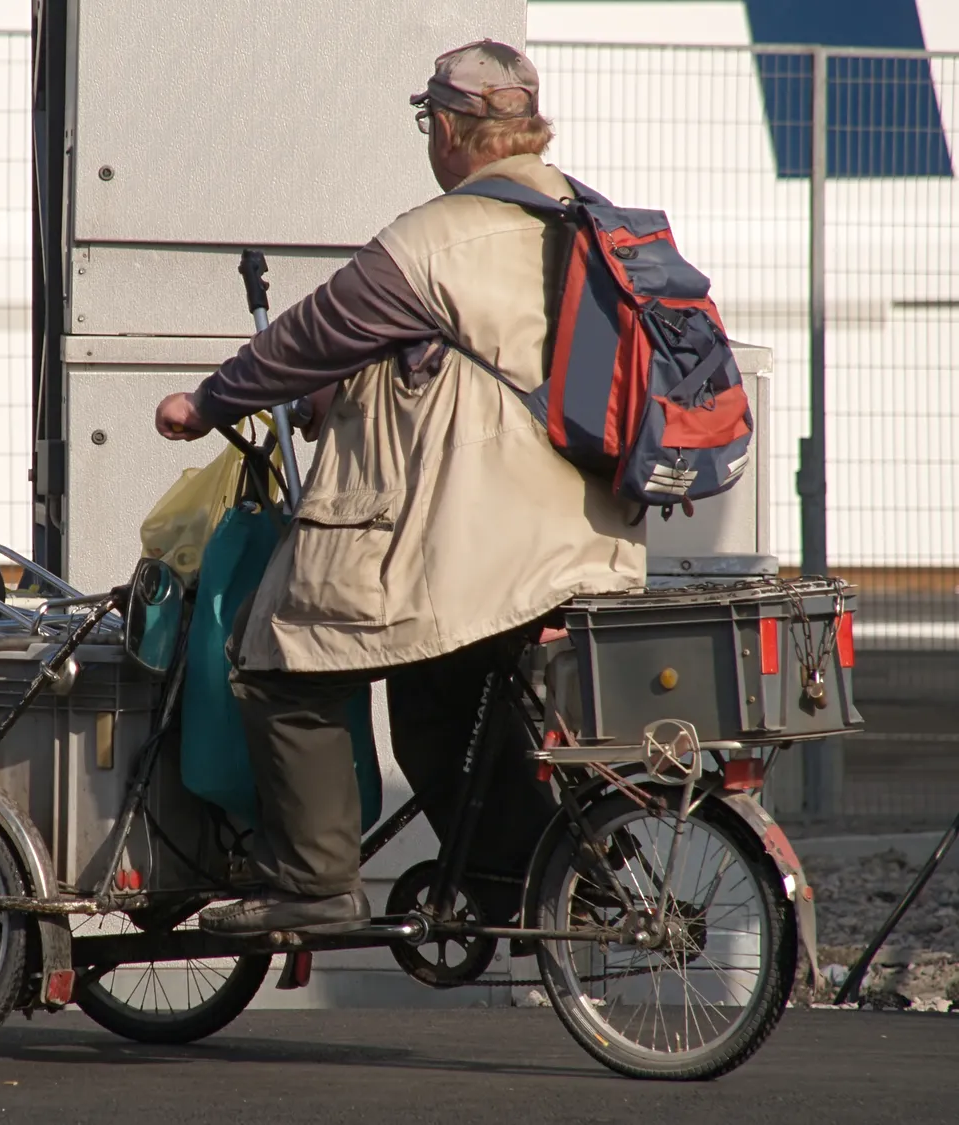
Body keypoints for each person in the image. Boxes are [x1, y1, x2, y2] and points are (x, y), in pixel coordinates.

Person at [154, 40, 647, 936]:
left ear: (452, 129)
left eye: (431, 124)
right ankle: (532, 881)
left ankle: (311, 880)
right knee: (436, 709)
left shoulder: (437, 238)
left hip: (473, 541)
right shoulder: (589, 218)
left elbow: (311, 333)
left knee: (276, 656)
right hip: (586, 534)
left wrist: (207, 400)